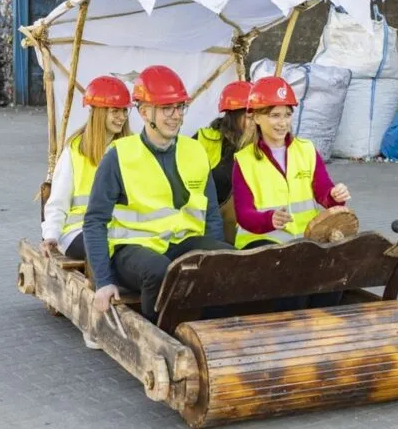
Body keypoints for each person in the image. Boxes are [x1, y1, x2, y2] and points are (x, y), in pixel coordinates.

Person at [83, 65, 234, 323]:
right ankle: (159, 333)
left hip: (182, 242)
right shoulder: (119, 155)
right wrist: (104, 282)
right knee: (158, 271)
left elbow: (211, 214)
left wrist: (214, 258)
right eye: (167, 108)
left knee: (227, 260)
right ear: (143, 112)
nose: (176, 116)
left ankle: (209, 329)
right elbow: (94, 221)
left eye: (180, 107)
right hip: (132, 250)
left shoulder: (195, 151)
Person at [231, 75, 352, 309]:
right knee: (292, 283)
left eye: (287, 114)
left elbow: (323, 191)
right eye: (274, 115)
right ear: (256, 117)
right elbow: (243, 214)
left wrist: (335, 197)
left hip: (305, 241)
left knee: (333, 280)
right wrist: (269, 219)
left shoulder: (306, 150)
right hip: (261, 244)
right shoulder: (243, 160)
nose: (282, 122)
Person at [40, 75, 132, 261]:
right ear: (98, 112)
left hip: (118, 230)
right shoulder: (75, 150)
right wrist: (51, 234)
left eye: (124, 111)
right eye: (115, 111)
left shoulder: (131, 149)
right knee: (108, 252)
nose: (122, 117)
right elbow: (58, 202)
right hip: (78, 231)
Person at [193, 80, 252, 244]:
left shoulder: (263, 147)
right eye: (249, 116)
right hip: (208, 227)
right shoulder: (204, 139)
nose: (255, 122)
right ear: (232, 116)